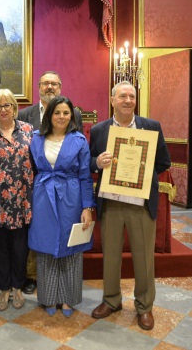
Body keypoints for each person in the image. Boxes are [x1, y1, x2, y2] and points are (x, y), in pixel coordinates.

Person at [89, 81, 171, 331]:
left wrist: (142, 177)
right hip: (111, 202)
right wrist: (97, 162)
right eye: (122, 96)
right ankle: (111, 300)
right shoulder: (99, 129)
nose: (127, 100)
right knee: (110, 254)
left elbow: (164, 161)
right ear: (112, 100)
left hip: (140, 203)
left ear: (136, 101)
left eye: (131, 96)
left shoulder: (151, 127)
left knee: (144, 257)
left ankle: (144, 306)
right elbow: (90, 160)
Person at [17, 70, 84, 295]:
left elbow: (80, 161)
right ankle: (42, 287)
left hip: (69, 192)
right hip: (41, 190)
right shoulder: (30, 125)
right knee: (43, 239)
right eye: (45, 83)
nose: (50, 87)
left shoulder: (76, 130)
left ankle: (67, 294)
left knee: (68, 241)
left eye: (54, 83)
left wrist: (87, 206)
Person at [28, 96, 94, 317]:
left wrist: (87, 207)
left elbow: (85, 175)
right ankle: (48, 297)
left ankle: (68, 299)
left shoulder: (79, 140)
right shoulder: (36, 138)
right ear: (49, 115)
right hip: (43, 195)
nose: (62, 117)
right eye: (57, 113)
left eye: (66, 113)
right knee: (46, 246)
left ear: (71, 115)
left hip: (71, 195)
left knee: (70, 246)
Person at [0, 89, 33, 312]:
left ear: (14, 107)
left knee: (20, 246)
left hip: (22, 199)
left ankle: (18, 287)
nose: (3, 110)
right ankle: (3, 287)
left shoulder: (29, 130)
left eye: (7, 105)